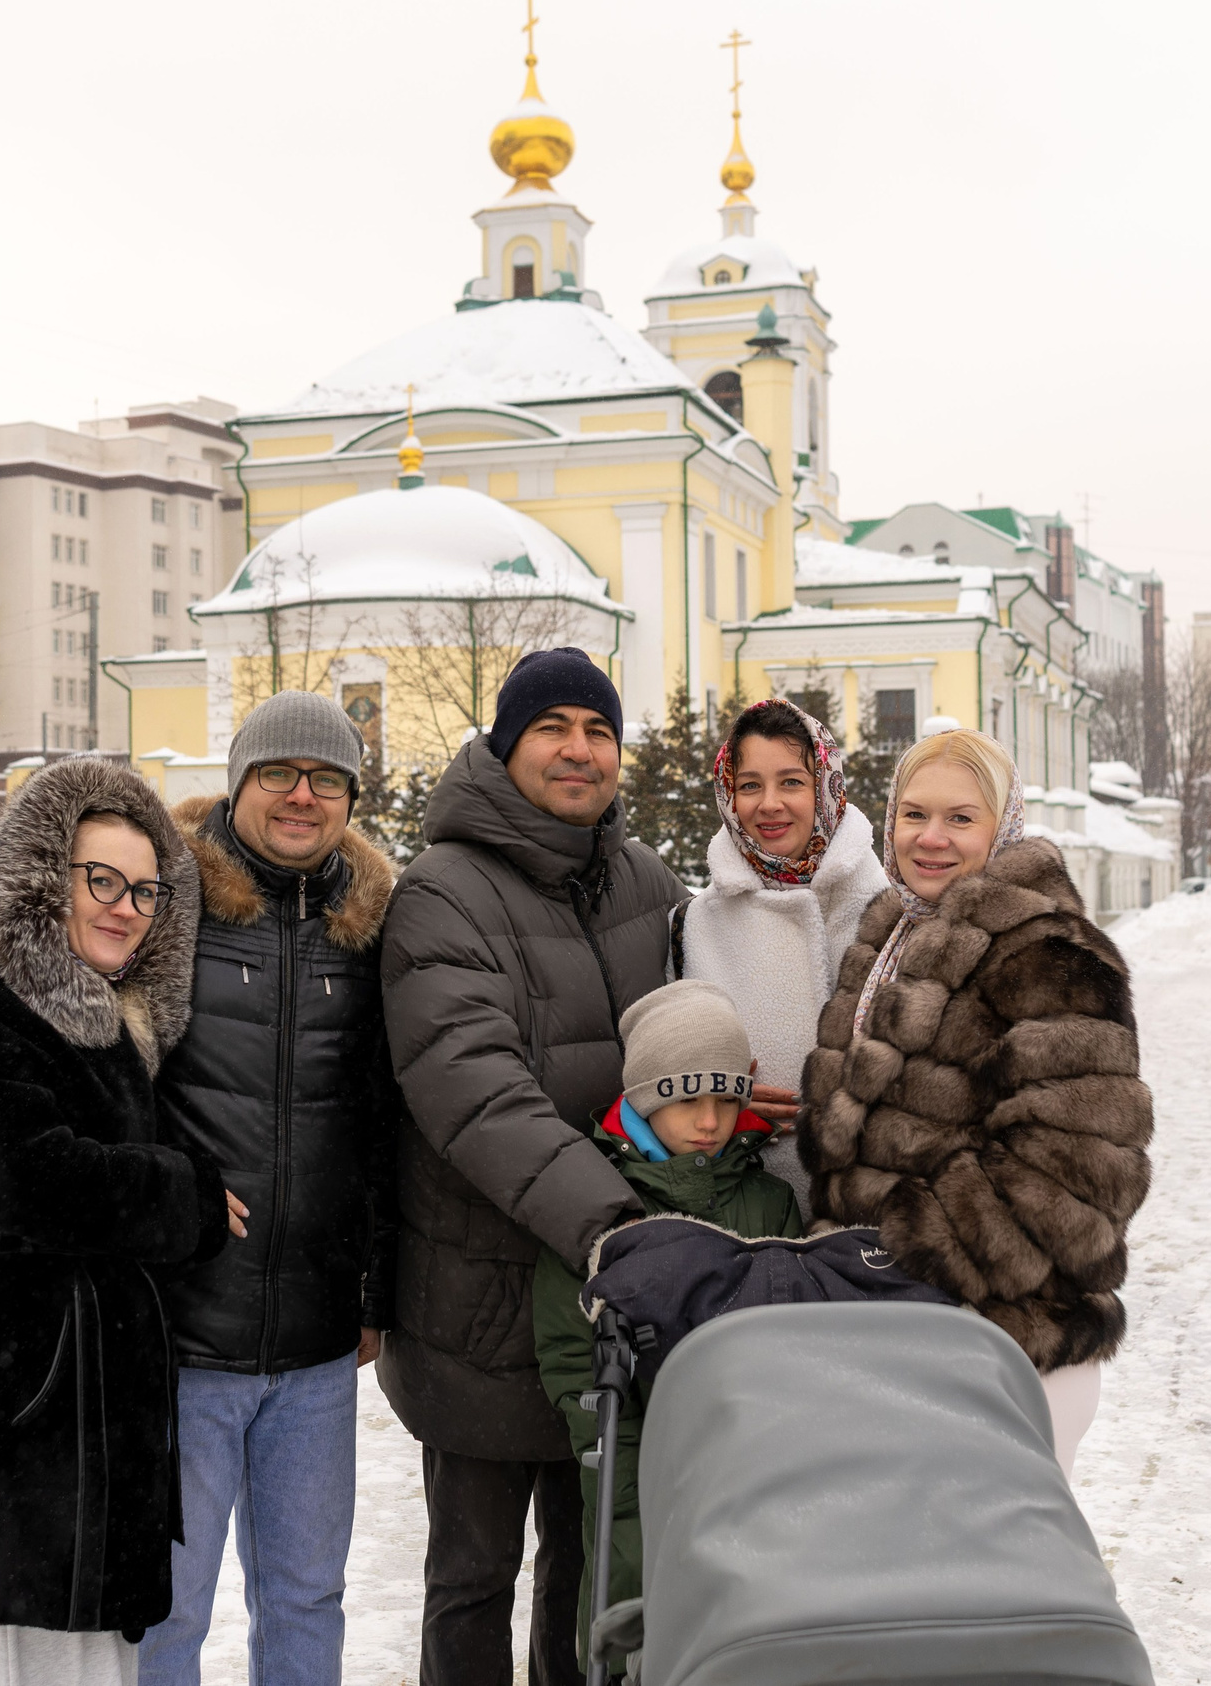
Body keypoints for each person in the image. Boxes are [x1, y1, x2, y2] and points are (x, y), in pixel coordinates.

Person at [0, 691, 402, 1686]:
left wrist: (374, 1288)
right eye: (275, 771)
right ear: (235, 782)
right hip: (181, 1328)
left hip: (318, 1336)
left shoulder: (370, 932)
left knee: (307, 1595)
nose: (299, 794)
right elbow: (23, 991)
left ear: (352, 800)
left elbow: (379, 1122)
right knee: (164, 1612)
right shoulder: (166, 909)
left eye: (326, 778)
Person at [0, 755, 233, 1686]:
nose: (125, 906)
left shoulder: (124, 1025)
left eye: (146, 890)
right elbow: (31, 1179)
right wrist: (186, 1195)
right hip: (15, 1375)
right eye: (101, 880)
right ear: (47, 881)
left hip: (108, 1389)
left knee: (88, 1654)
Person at [380, 646, 685, 1686]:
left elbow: (688, 1054)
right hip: (481, 1305)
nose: (578, 748)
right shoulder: (441, 894)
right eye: (552, 726)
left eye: (598, 729)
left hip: (609, 1311)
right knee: (472, 1580)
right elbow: (473, 1090)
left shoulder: (645, 883)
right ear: (506, 746)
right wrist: (618, 1225)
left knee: (592, 1578)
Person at [800, 728, 1153, 1477]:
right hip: (894, 1336)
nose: (931, 837)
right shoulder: (891, 937)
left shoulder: (1043, 951)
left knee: (998, 1582)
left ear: (1005, 825)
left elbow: (1078, 1175)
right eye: (913, 814)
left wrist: (912, 1251)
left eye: (961, 818)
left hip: (1007, 1343)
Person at [530, 980, 803, 1667]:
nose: (709, 1120)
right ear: (648, 1099)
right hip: (629, 1441)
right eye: (686, 1100)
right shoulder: (597, 1198)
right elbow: (568, 1336)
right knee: (632, 1588)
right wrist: (601, 1426)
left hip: (747, 1447)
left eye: (723, 1098)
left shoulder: (769, 1201)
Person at [672, 698, 889, 1211]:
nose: (768, 804)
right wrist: (725, 1103)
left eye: (792, 781)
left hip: (874, 1217)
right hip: (743, 1212)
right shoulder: (695, 924)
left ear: (825, 788)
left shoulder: (889, 912)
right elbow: (670, 1077)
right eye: (750, 785)